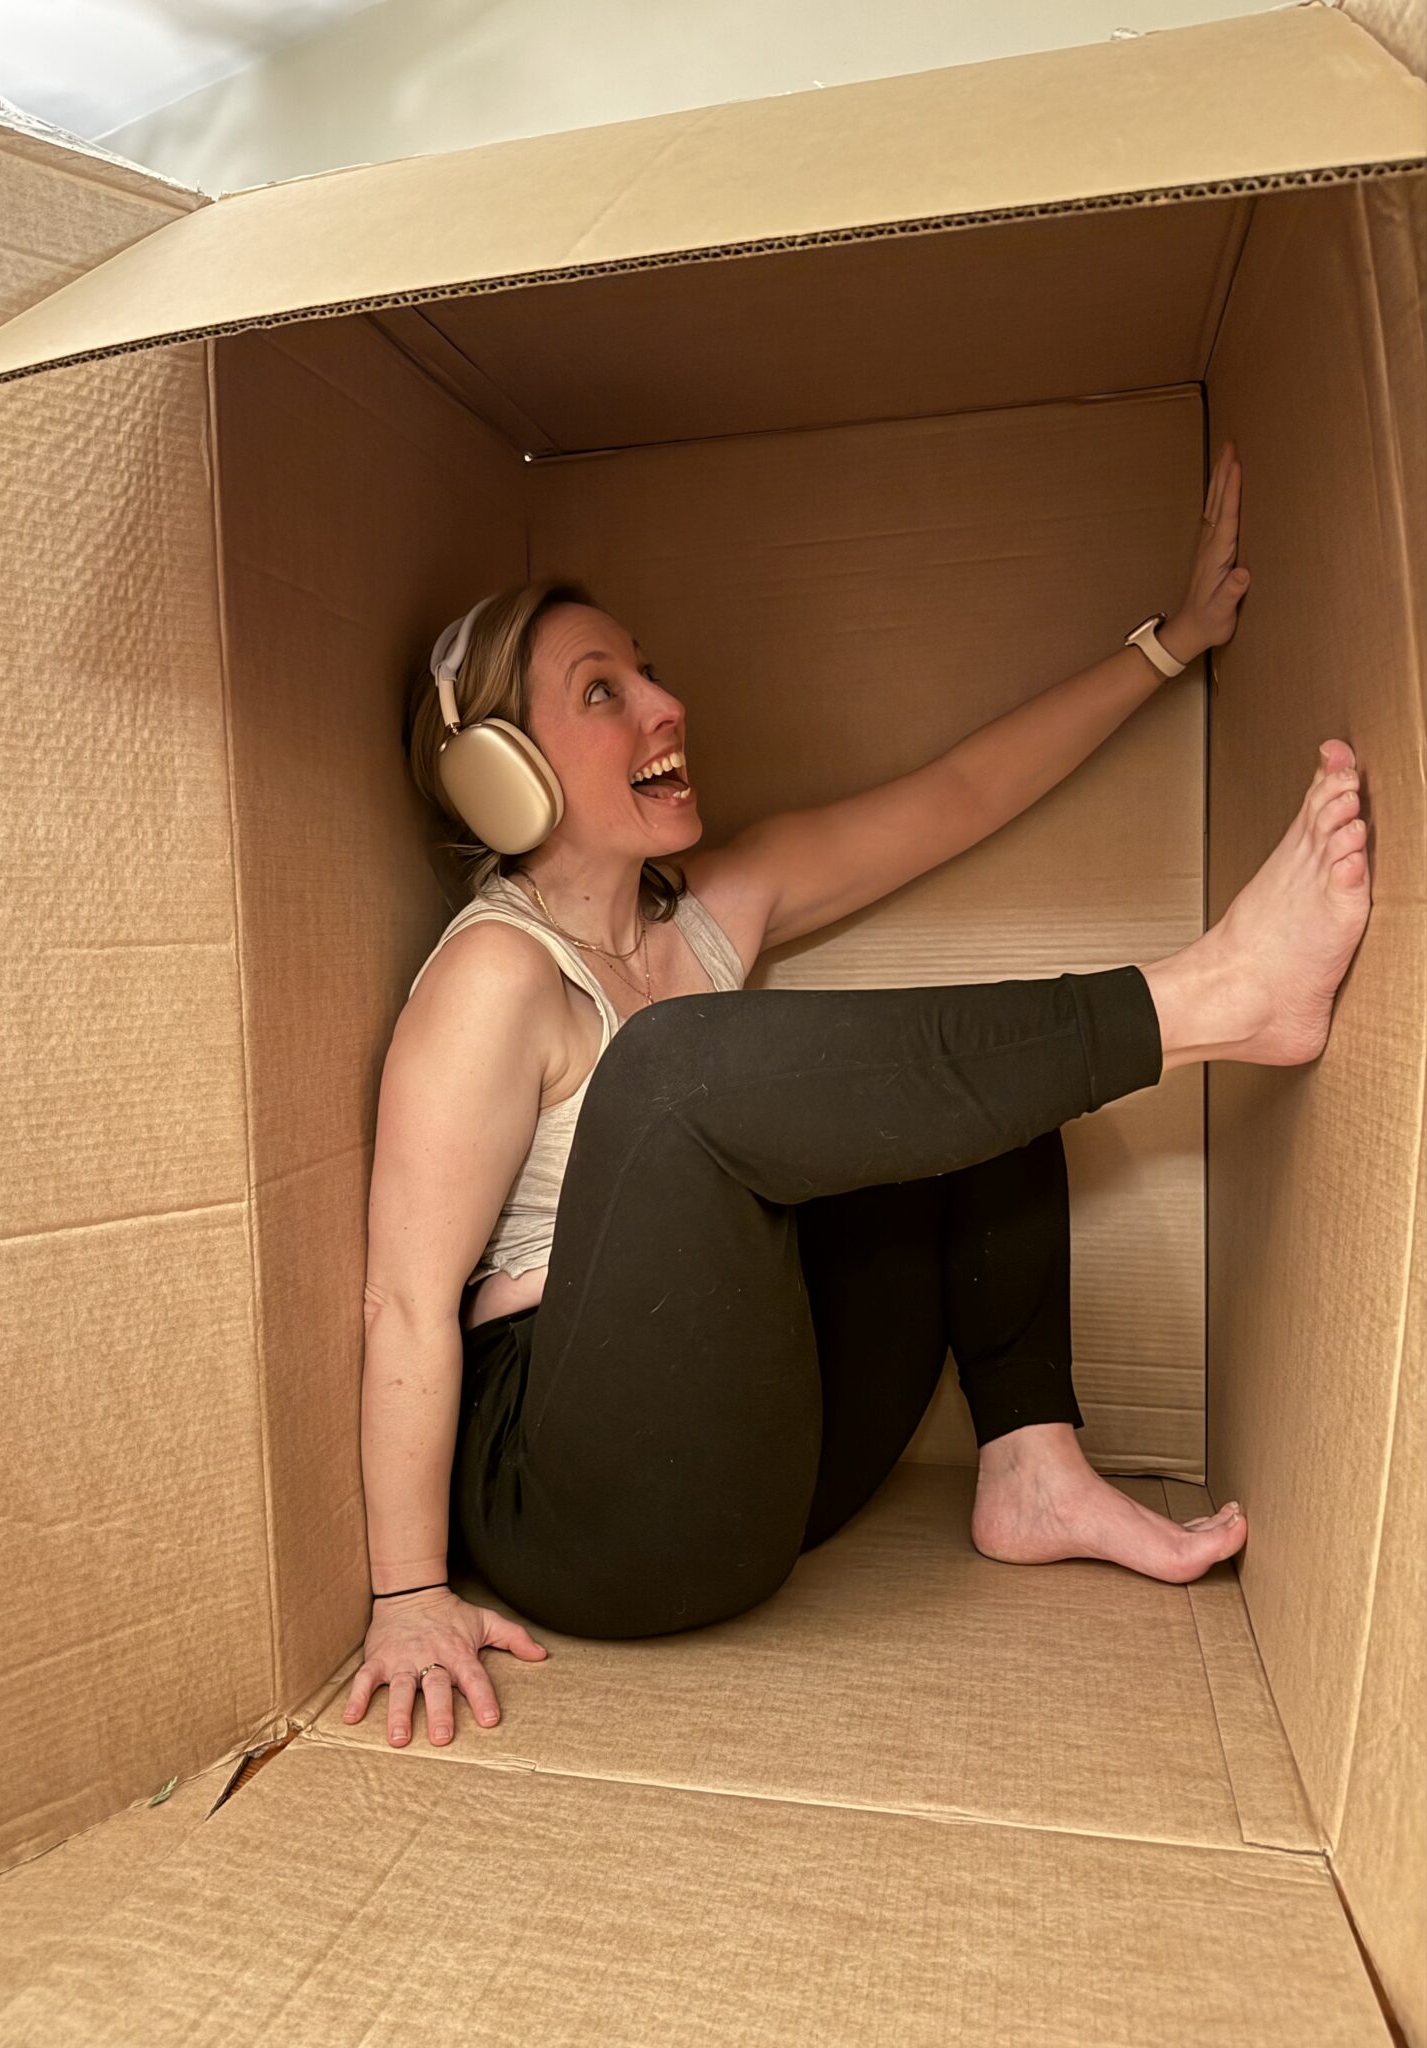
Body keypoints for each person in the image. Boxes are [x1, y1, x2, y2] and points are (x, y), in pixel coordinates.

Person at [345, 442, 1371, 1750]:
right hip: (577, 1507)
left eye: (648, 668)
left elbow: (955, 795)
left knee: (940, 1084)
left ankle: (1032, 1464)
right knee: (667, 1079)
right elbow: (401, 1300)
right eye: (604, 691)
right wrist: (406, 1591)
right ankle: (1221, 996)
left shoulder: (715, 912)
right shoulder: (497, 972)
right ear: (502, 771)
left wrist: (1169, 645)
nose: (664, 702)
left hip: (756, 1477)